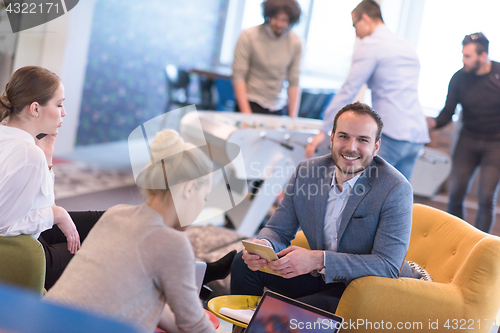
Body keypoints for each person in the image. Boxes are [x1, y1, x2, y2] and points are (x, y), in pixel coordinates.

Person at [231, 102, 414, 312]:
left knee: (289, 313)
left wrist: (318, 260)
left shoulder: (395, 188)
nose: (351, 147)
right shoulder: (307, 172)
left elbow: (387, 265)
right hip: (316, 276)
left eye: (363, 140)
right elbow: (279, 229)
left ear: (376, 146)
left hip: (361, 288)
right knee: (242, 264)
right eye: (344, 136)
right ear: (332, 138)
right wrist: (263, 247)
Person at [45, 130, 233, 333]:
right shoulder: (172, 243)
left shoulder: (116, 215)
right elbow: (195, 325)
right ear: (189, 189)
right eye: (204, 198)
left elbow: (149, 303)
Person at [0, 65, 105, 290]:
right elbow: (4, 224)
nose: (64, 112)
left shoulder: (11, 137)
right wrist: (56, 215)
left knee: (109, 220)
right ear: (35, 108)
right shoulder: (27, 153)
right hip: (24, 248)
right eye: (59, 104)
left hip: (30, 233)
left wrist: (47, 155)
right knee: (109, 254)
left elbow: (38, 202)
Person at [305, 0, 429, 180]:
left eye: (355, 26)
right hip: (416, 135)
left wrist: (324, 130)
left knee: (365, 192)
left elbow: (349, 89)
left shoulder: (371, 44)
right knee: (397, 198)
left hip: (392, 134)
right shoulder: (405, 45)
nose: (357, 33)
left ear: (365, 18)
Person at [427, 32, 500, 233]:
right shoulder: (459, 78)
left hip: (495, 145)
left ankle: (481, 245)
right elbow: (447, 112)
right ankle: (457, 238)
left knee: (486, 197)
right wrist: (431, 124)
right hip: (467, 140)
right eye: (463, 54)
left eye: (468, 56)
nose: (463, 59)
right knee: (456, 193)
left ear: (483, 56)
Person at [232, 0, 302, 117]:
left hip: (277, 106)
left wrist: (292, 119)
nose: (279, 24)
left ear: (290, 20)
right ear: (268, 15)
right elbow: (238, 76)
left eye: (284, 20)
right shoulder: (248, 36)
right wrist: (246, 115)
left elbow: (294, 81)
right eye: (275, 18)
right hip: (250, 102)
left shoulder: (296, 42)